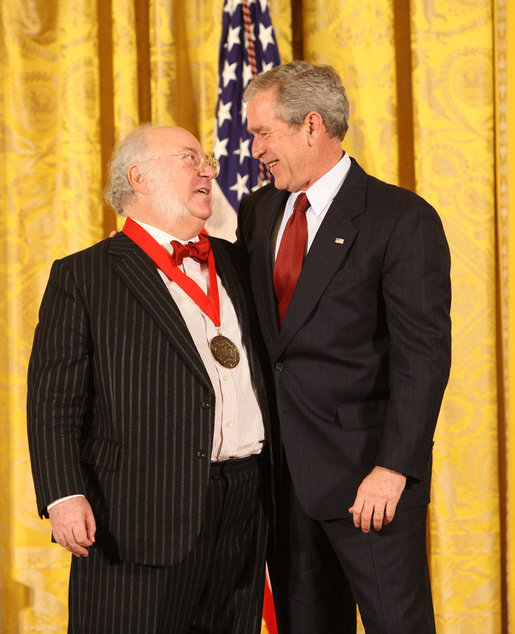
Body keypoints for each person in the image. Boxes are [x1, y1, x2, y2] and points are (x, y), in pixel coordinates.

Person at [27, 124, 274, 634]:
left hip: (244, 504)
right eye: (191, 158)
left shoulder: (235, 260)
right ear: (139, 176)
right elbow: (54, 400)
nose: (210, 170)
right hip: (139, 510)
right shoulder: (84, 275)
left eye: (207, 159)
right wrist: (62, 494)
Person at [237, 61, 452, 633]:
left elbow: (423, 358)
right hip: (283, 483)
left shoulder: (400, 218)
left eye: (263, 132)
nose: (253, 147)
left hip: (368, 484)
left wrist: (393, 467)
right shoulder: (258, 211)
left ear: (311, 126)